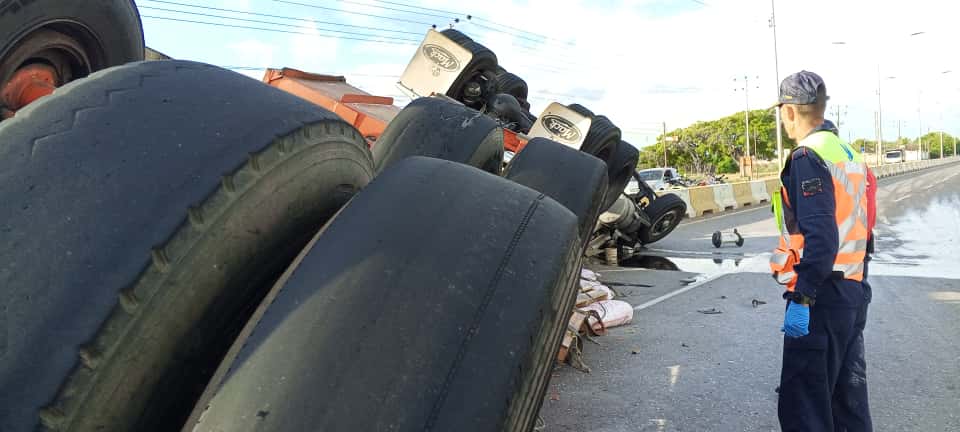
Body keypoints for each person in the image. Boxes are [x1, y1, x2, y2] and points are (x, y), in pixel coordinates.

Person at [769, 71, 873, 432]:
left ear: (789, 112)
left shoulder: (807, 157)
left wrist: (802, 298)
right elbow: (865, 227)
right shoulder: (849, 154)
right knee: (847, 404)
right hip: (852, 290)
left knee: (805, 408)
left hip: (822, 298)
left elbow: (823, 238)